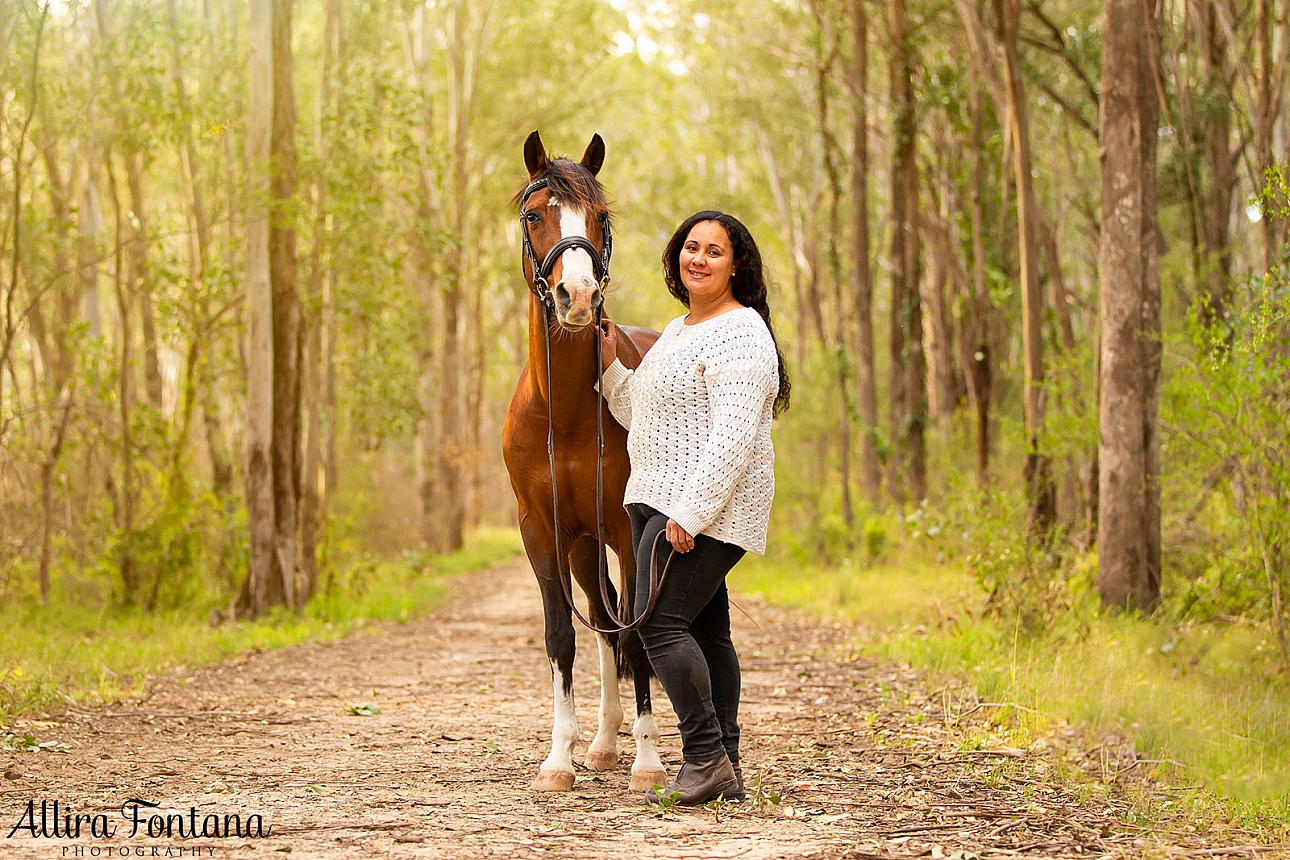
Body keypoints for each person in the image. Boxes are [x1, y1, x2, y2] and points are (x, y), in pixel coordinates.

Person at [597, 210, 791, 805]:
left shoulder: (743, 334)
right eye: (691, 247)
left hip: (704, 507)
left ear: (737, 266)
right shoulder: (678, 330)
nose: (698, 259)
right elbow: (644, 415)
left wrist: (691, 512)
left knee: (658, 624)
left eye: (714, 251)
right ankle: (727, 761)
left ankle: (704, 755)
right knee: (707, 627)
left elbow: (732, 437)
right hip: (658, 494)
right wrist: (608, 363)